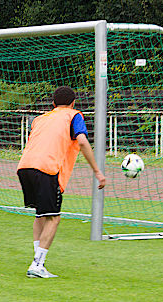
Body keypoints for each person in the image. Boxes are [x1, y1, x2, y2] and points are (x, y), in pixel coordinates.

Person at [17, 86, 107, 278]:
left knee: (41, 215)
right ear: (73, 103)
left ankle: (37, 261)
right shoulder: (74, 116)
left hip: (25, 167)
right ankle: (37, 265)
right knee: (53, 217)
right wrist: (98, 172)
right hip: (47, 169)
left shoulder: (41, 118)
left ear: (53, 103)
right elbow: (82, 141)